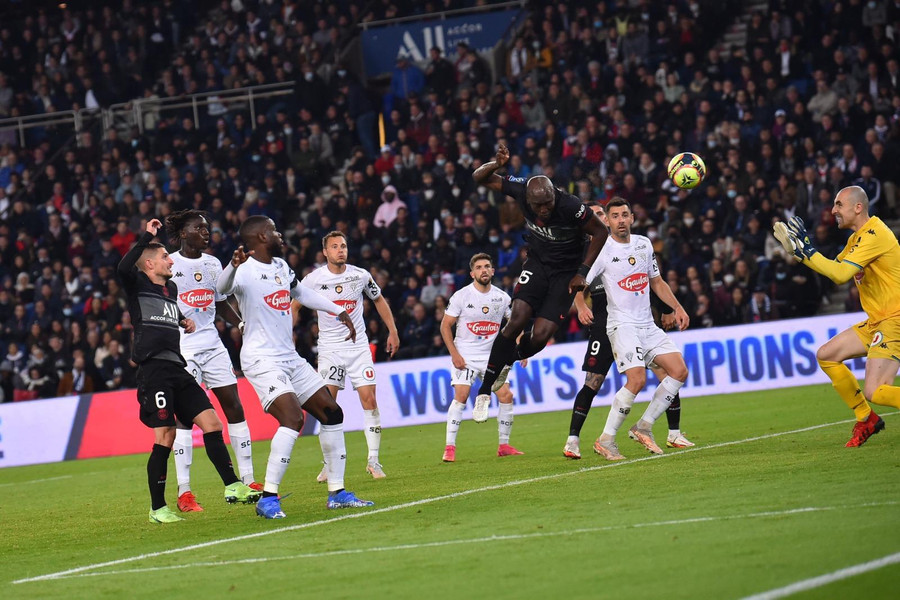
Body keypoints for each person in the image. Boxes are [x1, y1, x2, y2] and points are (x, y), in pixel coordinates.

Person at [216, 216, 373, 519]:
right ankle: (268, 498)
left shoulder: (280, 268)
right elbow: (220, 292)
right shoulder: (244, 270)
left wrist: (339, 310)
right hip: (261, 358)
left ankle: (337, 492)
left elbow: (301, 293)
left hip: (289, 355)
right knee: (292, 417)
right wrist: (232, 265)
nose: (280, 235)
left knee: (332, 412)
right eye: (274, 230)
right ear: (261, 237)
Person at [118, 219, 260, 524]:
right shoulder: (137, 285)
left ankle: (233, 485)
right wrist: (146, 237)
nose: (171, 260)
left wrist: (183, 319)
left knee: (211, 422)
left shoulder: (169, 288)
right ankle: (159, 507)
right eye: (165, 257)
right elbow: (122, 268)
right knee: (166, 435)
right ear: (149, 264)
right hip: (154, 370)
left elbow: (172, 309)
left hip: (177, 367)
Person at [469, 143, 607, 423]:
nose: (543, 210)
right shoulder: (520, 188)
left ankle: (510, 359)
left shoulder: (571, 206)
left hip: (566, 272)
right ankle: (484, 392)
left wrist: (583, 271)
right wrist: (496, 164)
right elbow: (479, 177)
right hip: (537, 263)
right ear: (528, 200)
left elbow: (601, 232)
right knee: (518, 317)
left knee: (541, 335)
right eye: (538, 206)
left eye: (547, 204)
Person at [774, 186, 900, 446]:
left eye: (838, 205)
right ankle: (866, 418)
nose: (833, 211)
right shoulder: (857, 239)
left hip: (895, 319)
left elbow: (841, 275)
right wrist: (800, 253)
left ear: (858, 207)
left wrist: (806, 252)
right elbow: (834, 269)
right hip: (879, 320)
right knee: (827, 355)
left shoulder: (875, 235)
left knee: (875, 389)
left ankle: (867, 414)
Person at [565, 205, 693, 459]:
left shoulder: (644, 244)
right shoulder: (601, 251)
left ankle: (643, 426)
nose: (620, 220)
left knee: (679, 371)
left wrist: (676, 307)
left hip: (646, 324)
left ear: (632, 218)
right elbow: (579, 283)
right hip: (621, 325)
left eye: (625, 215)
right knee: (636, 380)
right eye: (615, 217)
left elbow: (656, 281)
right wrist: (579, 303)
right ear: (608, 223)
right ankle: (606, 440)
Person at [165, 210, 261, 513]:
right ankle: (185, 492)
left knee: (235, 407)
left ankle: (248, 480)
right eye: (199, 228)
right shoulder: (169, 264)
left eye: (207, 228)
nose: (206, 233)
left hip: (213, 346)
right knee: (184, 418)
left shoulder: (212, 264)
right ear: (183, 233)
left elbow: (220, 304)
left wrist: (241, 323)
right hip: (184, 350)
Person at [300, 231, 400, 480]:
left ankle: (374, 461)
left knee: (370, 400)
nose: (340, 250)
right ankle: (328, 463)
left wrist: (393, 331)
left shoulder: (360, 275)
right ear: (325, 252)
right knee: (327, 407)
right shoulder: (313, 279)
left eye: (343, 245)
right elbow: (294, 305)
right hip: (330, 350)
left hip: (358, 348)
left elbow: (379, 300)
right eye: (334, 247)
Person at [440, 253, 524, 462]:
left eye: (487, 266)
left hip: (492, 357)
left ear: (493, 271)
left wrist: (521, 347)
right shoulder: (462, 296)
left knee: (506, 396)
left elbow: (515, 322)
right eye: (479, 267)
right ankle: (449, 447)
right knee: (461, 395)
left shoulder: (501, 297)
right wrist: (454, 354)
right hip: (465, 355)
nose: (484, 270)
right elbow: (445, 326)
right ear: (472, 273)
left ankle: (504, 445)